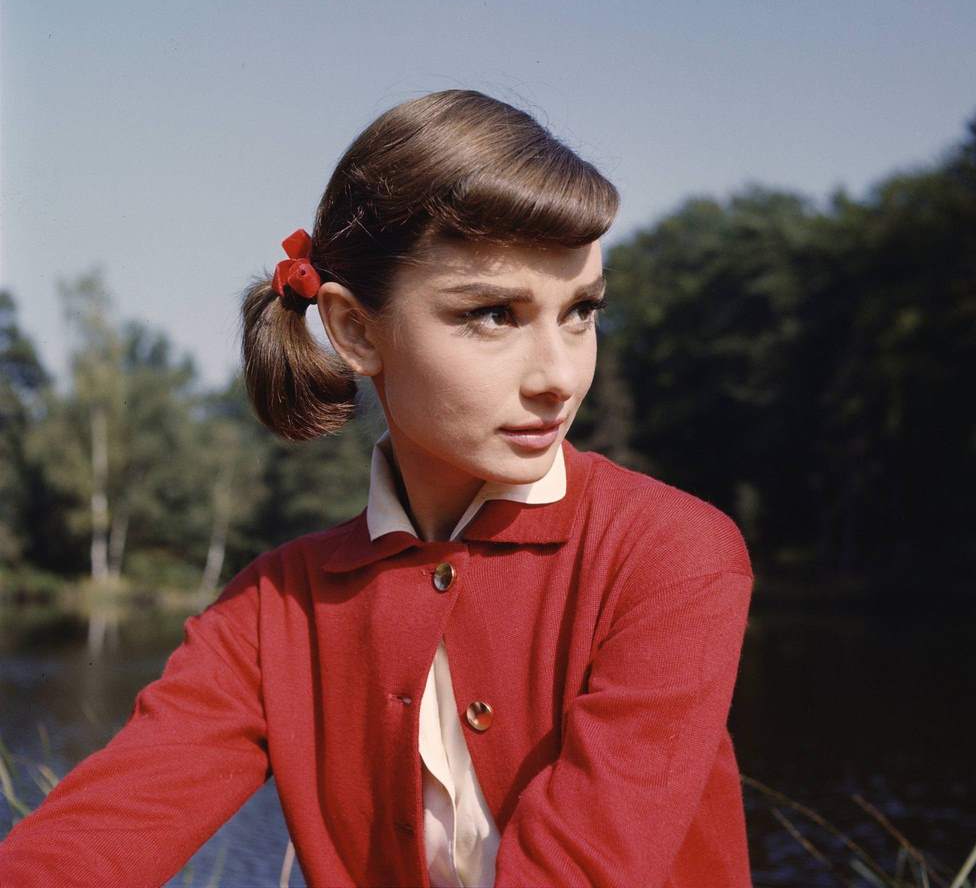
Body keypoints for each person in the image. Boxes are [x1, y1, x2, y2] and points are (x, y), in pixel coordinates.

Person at [0, 89, 755, 887]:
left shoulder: (671, 555)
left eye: (580, 312)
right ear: (355, 330)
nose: (559, 377)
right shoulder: (273, 609)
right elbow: (96, 836)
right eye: (493, 314)